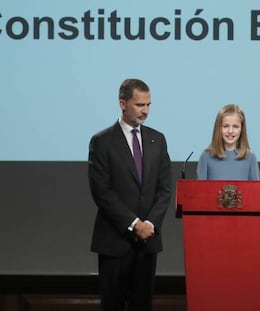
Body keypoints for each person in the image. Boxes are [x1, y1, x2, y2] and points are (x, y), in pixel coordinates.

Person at [88, 78, 171, 311]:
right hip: (115, 241)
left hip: (148, 242)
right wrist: (134, 224)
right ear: (122, 103)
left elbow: (164, 189)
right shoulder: (102, 141)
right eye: (139, 105)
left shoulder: (158, 139)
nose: (145, 111)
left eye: (148, 105)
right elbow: (101, 192)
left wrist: (150, 224)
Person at [197, 104, 260, 180]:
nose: (230, 131)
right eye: (226, 126)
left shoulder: (251, 158)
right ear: (218, 128)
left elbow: (256, 191)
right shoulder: (206, 156)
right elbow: (199, 190)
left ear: (242, 129)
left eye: (235, 126)